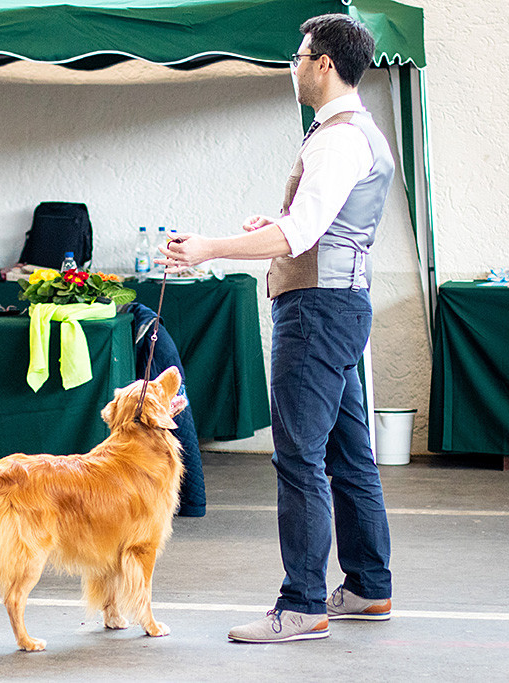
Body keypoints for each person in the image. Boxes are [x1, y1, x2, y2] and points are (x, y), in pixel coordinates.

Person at [158, 14, 395, 643]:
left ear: (322, 62)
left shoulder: (336, 138)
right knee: (349, 455)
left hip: (316, 315)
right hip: (342, 307)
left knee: (298, 458)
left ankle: (302, 604)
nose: (292, 66)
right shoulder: (358, 132)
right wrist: (279, 227)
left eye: (298, 54)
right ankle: (370, 585)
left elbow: (300, 234)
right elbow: (315, 226)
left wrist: (208, 247)